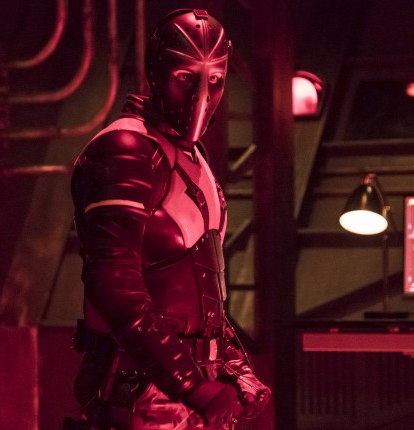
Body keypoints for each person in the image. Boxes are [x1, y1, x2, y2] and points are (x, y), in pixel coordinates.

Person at [64, 9, 271, 430]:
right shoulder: (127, 149)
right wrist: (191, 385)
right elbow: (114, 285)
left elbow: (202, 297)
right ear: (158, 74)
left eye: (215, 78)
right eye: (185, 76)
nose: (201, 93)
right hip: (140, 390)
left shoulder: (191, 158)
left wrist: (234, 367)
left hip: (185, 392)